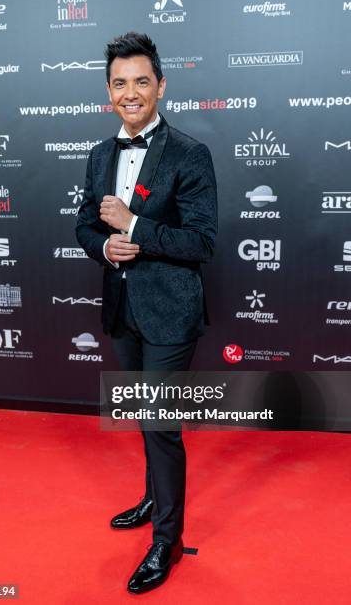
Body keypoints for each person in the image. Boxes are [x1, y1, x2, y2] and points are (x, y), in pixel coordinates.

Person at [75, 32, 217, 594]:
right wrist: (105, 245)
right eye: (118, 83)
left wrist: (133, 226)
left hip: (171, 312)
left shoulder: (189, 153)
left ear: (160, 86)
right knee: (142, 416)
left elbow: (201, 243)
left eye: (140, 81)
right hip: (122, 308)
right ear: (108, 91)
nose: (129, 92)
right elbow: (86, 225)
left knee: (161, 425)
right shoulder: (99, 155)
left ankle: (168, 540)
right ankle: (155, 496)